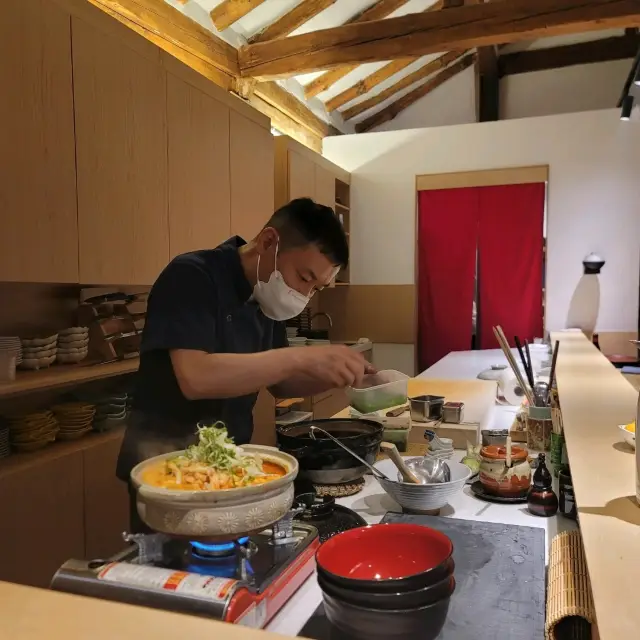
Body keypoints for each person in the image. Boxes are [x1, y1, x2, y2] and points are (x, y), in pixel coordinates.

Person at [116, 198, 373, 532]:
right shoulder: (193, 275)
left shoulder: (267, 297)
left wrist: (339, 375)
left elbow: (282, 384)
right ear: (268, 242)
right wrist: (301, 356)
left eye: (316, 287)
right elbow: (196, 377)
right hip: (167, 471)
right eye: (304, 276)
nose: (305, 293)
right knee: (179, 573)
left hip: (229, 466)